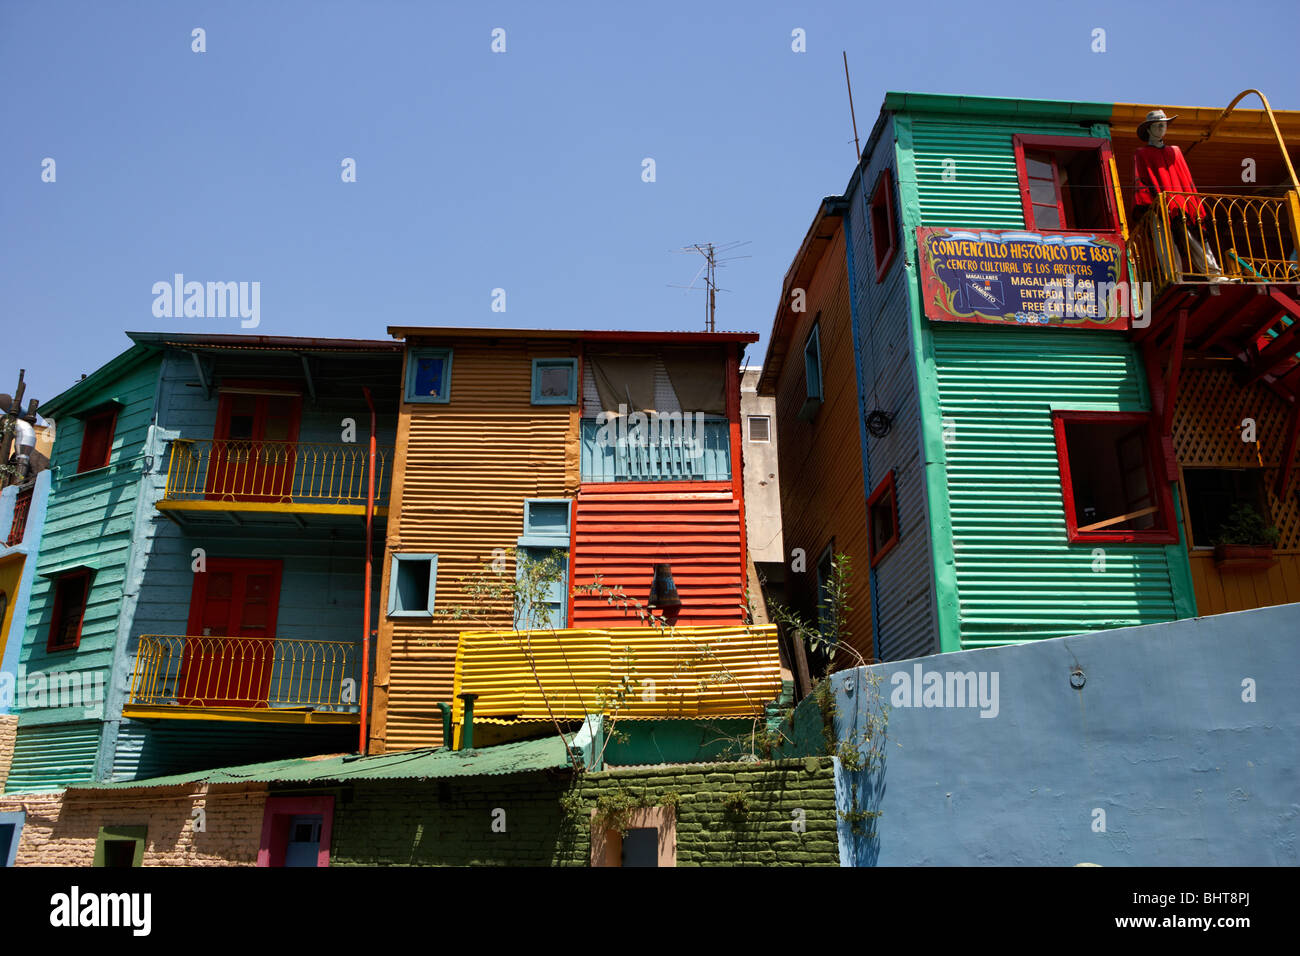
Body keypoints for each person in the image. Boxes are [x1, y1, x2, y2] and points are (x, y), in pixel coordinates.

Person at [1133, 109, 1227, 281]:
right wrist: (1148, 204)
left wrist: (1194, 202)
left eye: (1164, 125)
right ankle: (1174, 278)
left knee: (1194, 237)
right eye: (1158, 125)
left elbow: (1186, 178)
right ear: (1149, 129)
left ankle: (1213, 273)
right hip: (1158, 204)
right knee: (1164, 242)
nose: (1162, 128)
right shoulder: (1142, 153)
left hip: (1181, 202)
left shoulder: (1175, 151)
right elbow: (1141, 180)